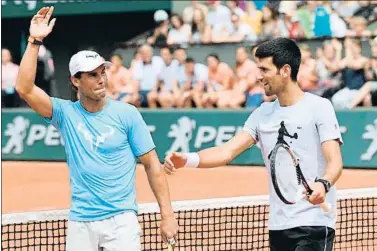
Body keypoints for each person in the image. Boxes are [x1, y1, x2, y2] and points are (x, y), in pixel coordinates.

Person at [15, 7, 179, 251]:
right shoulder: (65, 113)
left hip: (121, 221)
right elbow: (25, 88)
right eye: (92, 75)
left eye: (103, 72)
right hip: (81, 221)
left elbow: (152, 164)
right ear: (75, 81)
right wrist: (35, 40)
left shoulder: (127, 114)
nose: (101, 79)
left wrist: (167, 215)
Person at [164, 38, 343, 251]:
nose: (259, 76)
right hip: (278, 227)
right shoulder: (262, 114)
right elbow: (227, 151)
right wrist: (188, 159)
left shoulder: (319, 107)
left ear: (285, 70)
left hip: (314, 224)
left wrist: (322, 184)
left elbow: (335, 162)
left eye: (264, 69)